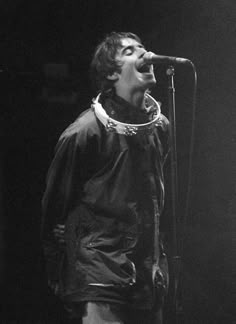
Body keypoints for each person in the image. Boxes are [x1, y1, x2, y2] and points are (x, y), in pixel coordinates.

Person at [41, 31, 170, 324]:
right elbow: (55, 206)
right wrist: (57, 265)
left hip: (147, 275)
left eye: (143, 47)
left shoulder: (160, 127)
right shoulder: (84, 132)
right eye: (129, 51)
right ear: (111, 73)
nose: (143, 53)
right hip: (99, 273)